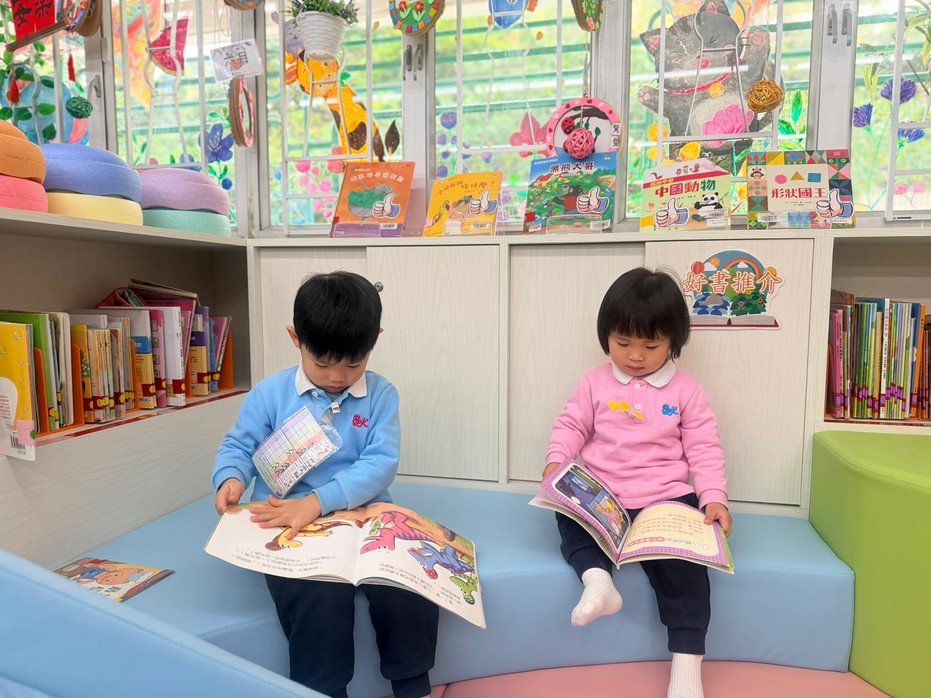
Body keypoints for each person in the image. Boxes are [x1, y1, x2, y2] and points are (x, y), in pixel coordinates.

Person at [212, 271, 437, 698]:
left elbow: (380, 464)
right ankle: (324, 690)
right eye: (323, 363)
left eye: (353, 363)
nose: (337, 376)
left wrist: (320, 501)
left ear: (374, 342)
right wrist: (231, 478)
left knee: (408, 582)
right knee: (320, 598)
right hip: (288, 519)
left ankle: (412, 685)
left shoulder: (382, 395)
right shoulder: (270, 394)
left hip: (364, 514)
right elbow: (239, 446)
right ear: (296, 339)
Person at [543, 267, 732, 698]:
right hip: (603, 494)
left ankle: (686, 668)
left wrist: (713, 497)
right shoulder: (594, 382)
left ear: (673, 342)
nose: (634, 356)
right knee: (567, 518)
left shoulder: (685, 390)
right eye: (622, 342)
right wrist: (557, 462)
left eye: (650, 346)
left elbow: (704, 447)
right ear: (606, 335)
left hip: (666, 498)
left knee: (686, 572)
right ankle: (598, 582)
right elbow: (571, 425)